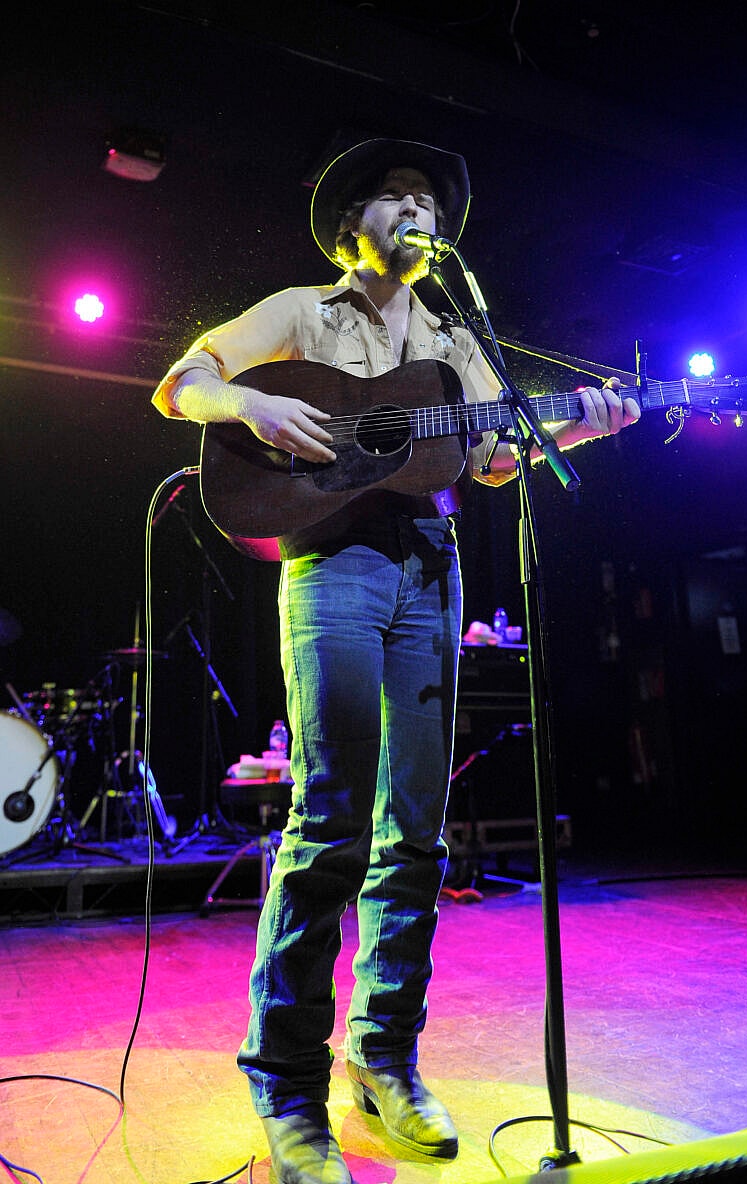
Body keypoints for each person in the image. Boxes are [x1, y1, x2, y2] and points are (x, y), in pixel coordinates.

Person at [151, 138, 640, 1184]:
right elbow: (180, 381)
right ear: (352, 224)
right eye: (399, 196)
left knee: (412, 830)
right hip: (331, 565)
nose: (420, 211)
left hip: (430, 564)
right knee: (327, 813)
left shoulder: (458, 338)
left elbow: (494, 456)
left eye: (431, 200)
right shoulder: (298, 310)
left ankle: (385, 1055)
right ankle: (287, 1082)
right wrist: (247, 403)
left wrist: (586, 428)